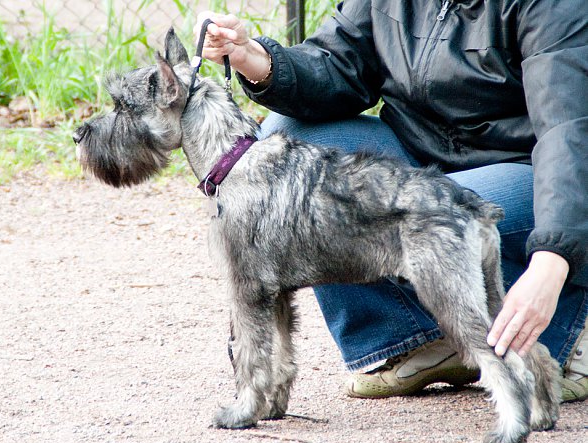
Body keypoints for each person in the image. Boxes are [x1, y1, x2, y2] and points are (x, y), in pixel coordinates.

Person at [193, 0, 588, 402]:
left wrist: (554, 262)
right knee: (293, 139)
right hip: (423, 160)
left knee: (439, 217)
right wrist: (250, 57)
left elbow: (570, 135)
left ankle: (569, 329)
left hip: (530, 173)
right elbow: (336, 63)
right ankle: (417, 336)